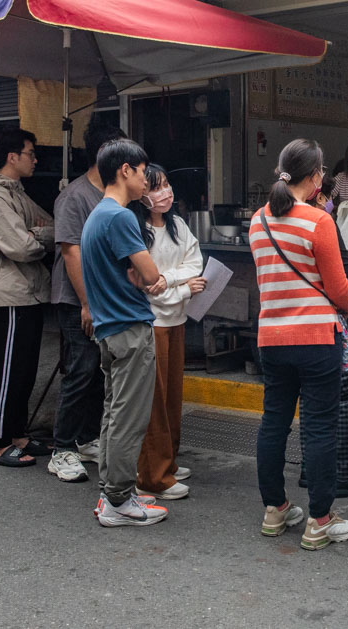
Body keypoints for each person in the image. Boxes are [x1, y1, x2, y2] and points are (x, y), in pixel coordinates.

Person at [248, 139, 348, 550]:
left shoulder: (258, 221)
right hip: (315, 338)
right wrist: (347, 306)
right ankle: (320, 520)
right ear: (314, 179)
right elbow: (340, 289)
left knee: (274, 422)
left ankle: (275, 509)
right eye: (322, 172)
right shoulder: (318, 221)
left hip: (271, 339)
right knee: (319, 426)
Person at [79, 138, 169, 527]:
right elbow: (150, 274)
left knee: (115, 414)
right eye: (143, 168)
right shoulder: (120, 217)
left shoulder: (98, 215)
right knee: (129, 418)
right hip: (129, 330)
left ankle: (113, 493)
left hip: (109, 329)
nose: (148, 177)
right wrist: (155, 279)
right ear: (125, 170)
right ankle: (118, 499)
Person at [0, 128, 56, 467]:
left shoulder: (16, 192)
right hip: (8, 292)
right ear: (12, 156)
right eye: (30, 153)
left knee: (24, 367)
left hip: (28, 291)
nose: (35, 159)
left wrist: (37, 233)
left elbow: (52, 224)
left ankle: (18, 434)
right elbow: (21, 247)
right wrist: (37, 236)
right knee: (7, 368)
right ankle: (0, 443)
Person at [47, 120, 125, 484]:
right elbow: (70, 252)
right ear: (102, 154)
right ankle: (61, 448)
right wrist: (87, 304)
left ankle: (87, 438)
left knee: (98, 371)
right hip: (77, 298)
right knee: (80, 369)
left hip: (104, 297)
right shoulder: (75, 196)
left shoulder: (111, 193)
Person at [296, 174, 348, 498]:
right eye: (329, 198)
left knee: (312, 401)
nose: (331, 204)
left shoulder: (283, 222)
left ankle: (310, 469)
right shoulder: (324, 225)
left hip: (299, 328)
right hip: (330, 326)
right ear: (320, 197)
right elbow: (346, 281)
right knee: (346, 395)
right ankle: (343, 473)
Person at [133, 163, 206, 501]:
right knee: (156, 402)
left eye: (166, 185)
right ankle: (153, 475)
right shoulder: (136, 229)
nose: (165, 193)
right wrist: (184, 287)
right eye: (155, 188)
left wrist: (171, 281)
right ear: (141, 195)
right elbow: (149, 287)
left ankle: (168, 463)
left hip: (175, 319)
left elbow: (195, 265)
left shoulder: (177, 224)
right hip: (152, 322)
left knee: (172, 397)